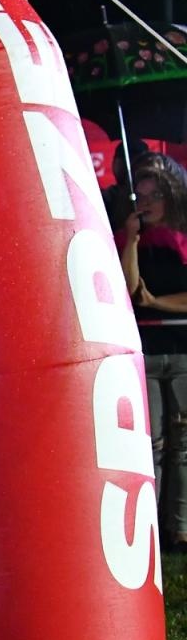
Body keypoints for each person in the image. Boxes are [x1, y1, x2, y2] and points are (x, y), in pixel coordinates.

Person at [119, 154, 187, 551]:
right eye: (139, 194)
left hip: (181, 351)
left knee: (182, 444)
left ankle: (180, 528)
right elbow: (130, 291)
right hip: (143, 352)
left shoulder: (182, 239)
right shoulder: (130, 239)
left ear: (172, 195)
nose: (146, 203)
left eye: (154, 194)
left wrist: (158, 303)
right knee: (153, 445)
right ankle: (153, 530)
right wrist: (131, 239)